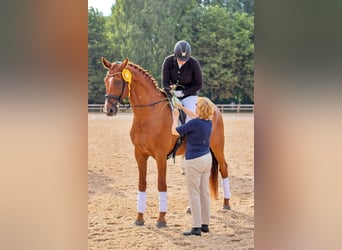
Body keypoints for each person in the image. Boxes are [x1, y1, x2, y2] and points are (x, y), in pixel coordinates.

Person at [171, 97, 214, 236]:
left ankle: (196, 227)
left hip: (194, 160)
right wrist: (183, 108)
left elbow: (174, 131)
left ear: (200, 108)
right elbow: (195, 117)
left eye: (196, 105)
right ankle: (205, 224)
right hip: (207, 158)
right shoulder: (208, 122)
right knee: (204, 192)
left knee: (194, 193)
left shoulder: (195, 123)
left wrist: (175, 117)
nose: (195, 106)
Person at [162, 40, 203, 123]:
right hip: (172, 95)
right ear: (175, 55)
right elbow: (165, 82)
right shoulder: (168, 61)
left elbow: (199, 84)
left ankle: (189, 134)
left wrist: (183, 93)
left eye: (185, 59)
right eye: (180, 59)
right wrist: (171, 93)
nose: (182, 61)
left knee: (190, 118)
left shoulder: (194, 63)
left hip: (189, 95)